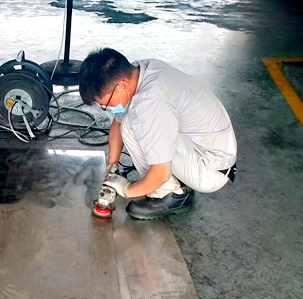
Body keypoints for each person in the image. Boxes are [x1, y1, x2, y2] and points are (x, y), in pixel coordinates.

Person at [79, 48, 237, 220]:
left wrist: (127, 190)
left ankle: (169, 194)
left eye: (107, 104)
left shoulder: (149, 103)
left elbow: (160, 172)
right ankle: (178, 180)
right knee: (130, 120)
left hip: (210, 170)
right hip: (209, 149)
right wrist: (112, 166)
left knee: (132, 124)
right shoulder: (143, 70)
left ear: (122, 86)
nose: (108, 108)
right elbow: (117, 122)